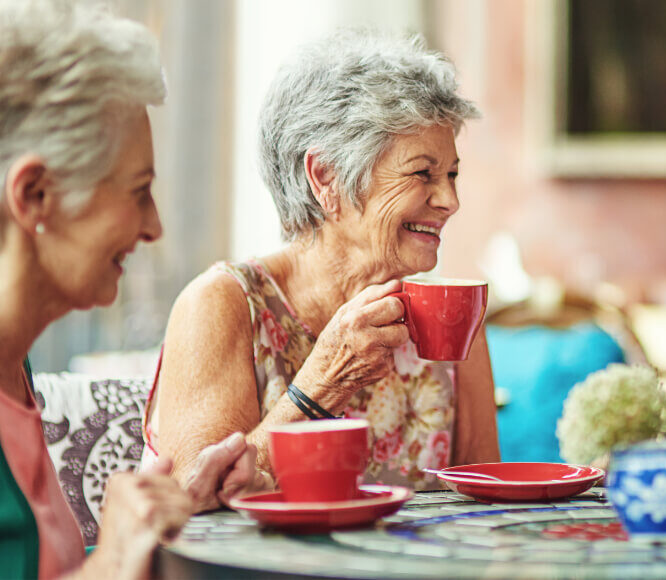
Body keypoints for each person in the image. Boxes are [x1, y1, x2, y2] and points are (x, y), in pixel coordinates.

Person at [145, 29, 500, 495]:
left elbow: (487, 500)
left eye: (452, 174)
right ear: (326, 176)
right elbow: (189, 501)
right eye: (423, 173)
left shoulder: (449, 313)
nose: (450, 200)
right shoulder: (222, 304)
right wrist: (323, 384)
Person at [0, 3, 256, 577]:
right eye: (138, 190)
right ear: (35, 194)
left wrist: (171, 506)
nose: (154, 226)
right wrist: (111, 560)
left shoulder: (15, 375)